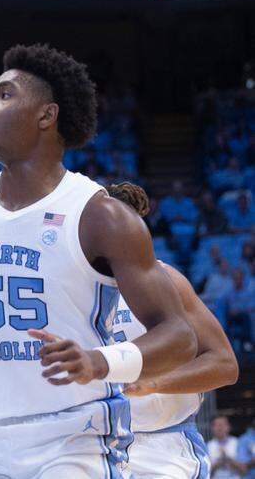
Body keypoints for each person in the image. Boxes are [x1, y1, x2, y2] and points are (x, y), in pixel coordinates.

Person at [0, 44, 197, 479]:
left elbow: (180, 336)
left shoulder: (100, 216)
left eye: (6, 95)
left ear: (46, 116)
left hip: (75, 439)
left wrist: (100, 361)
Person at [106, 182, 237, 479]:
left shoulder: (168, 280)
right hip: (96, 445)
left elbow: (225, 365)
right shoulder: (78, 285)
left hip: (162, 447)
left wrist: (154, 383)